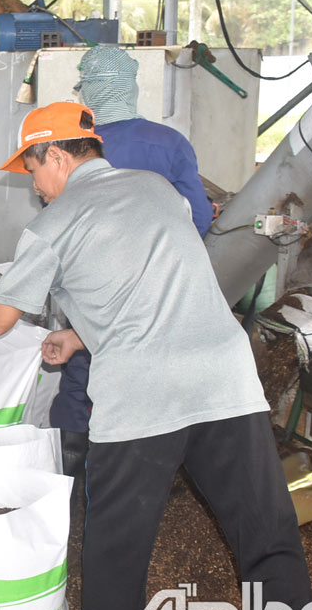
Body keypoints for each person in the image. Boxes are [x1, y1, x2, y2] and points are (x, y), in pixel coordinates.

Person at [0, 102, 312, 610]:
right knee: (266, 532)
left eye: (33, 169)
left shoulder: (53, 225)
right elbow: (154, 276)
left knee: (118, 538)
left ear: (56, 154)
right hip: (225, 382)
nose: (35, 185)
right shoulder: (158, 191)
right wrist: (81, 334)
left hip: (142, 394)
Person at [53, 44, 214, 476]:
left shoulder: (76, 147)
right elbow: (198, 217)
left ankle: (72, 473)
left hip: (95, 286)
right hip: (162, 285)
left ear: (86, 91)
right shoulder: (169, 142)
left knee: (85, 371)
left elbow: (59, 218)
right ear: (133, 86)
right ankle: (152, 462)